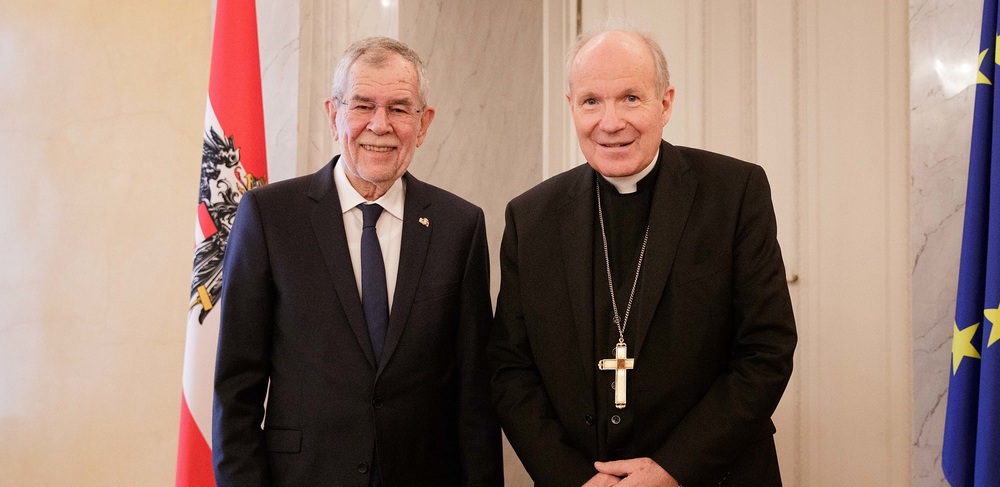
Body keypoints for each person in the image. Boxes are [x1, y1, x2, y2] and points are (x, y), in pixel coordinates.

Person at [489, 27, 797, 486]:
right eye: (591, 101)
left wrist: (674, 468)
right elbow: (510, 369)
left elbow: (765, 352)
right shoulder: (530, 218)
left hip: (714, 475)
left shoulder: (733, 194)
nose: (610, 122)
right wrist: (571, 477)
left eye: (631, 98)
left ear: (665, 103)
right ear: (571, 107)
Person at [213, 37, 503, 487]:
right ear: (334, 116)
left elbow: (475, 399)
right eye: (363, 105)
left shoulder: (459, 226)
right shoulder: (270, 217)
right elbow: (236, 392)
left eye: (400, 108)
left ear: (423, 124)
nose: (380, 125)